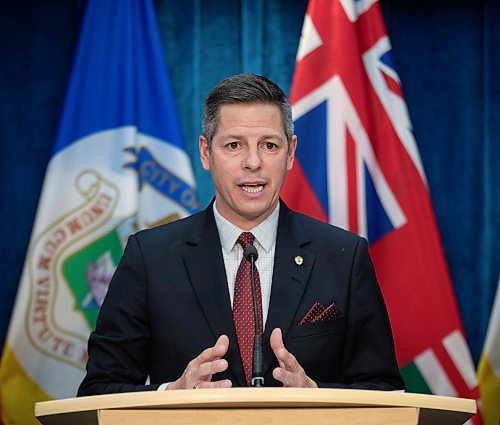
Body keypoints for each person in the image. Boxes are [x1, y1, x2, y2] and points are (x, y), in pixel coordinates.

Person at [78, 74, 404, 395]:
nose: (253, 162)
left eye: (269, 145)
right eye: (234, 145)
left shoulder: (343, 256)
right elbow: (98, 391)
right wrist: (170, 392)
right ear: (206, 152)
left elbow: (384, 391)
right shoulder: (150, 257)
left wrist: (317, 394)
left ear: (290, 152)